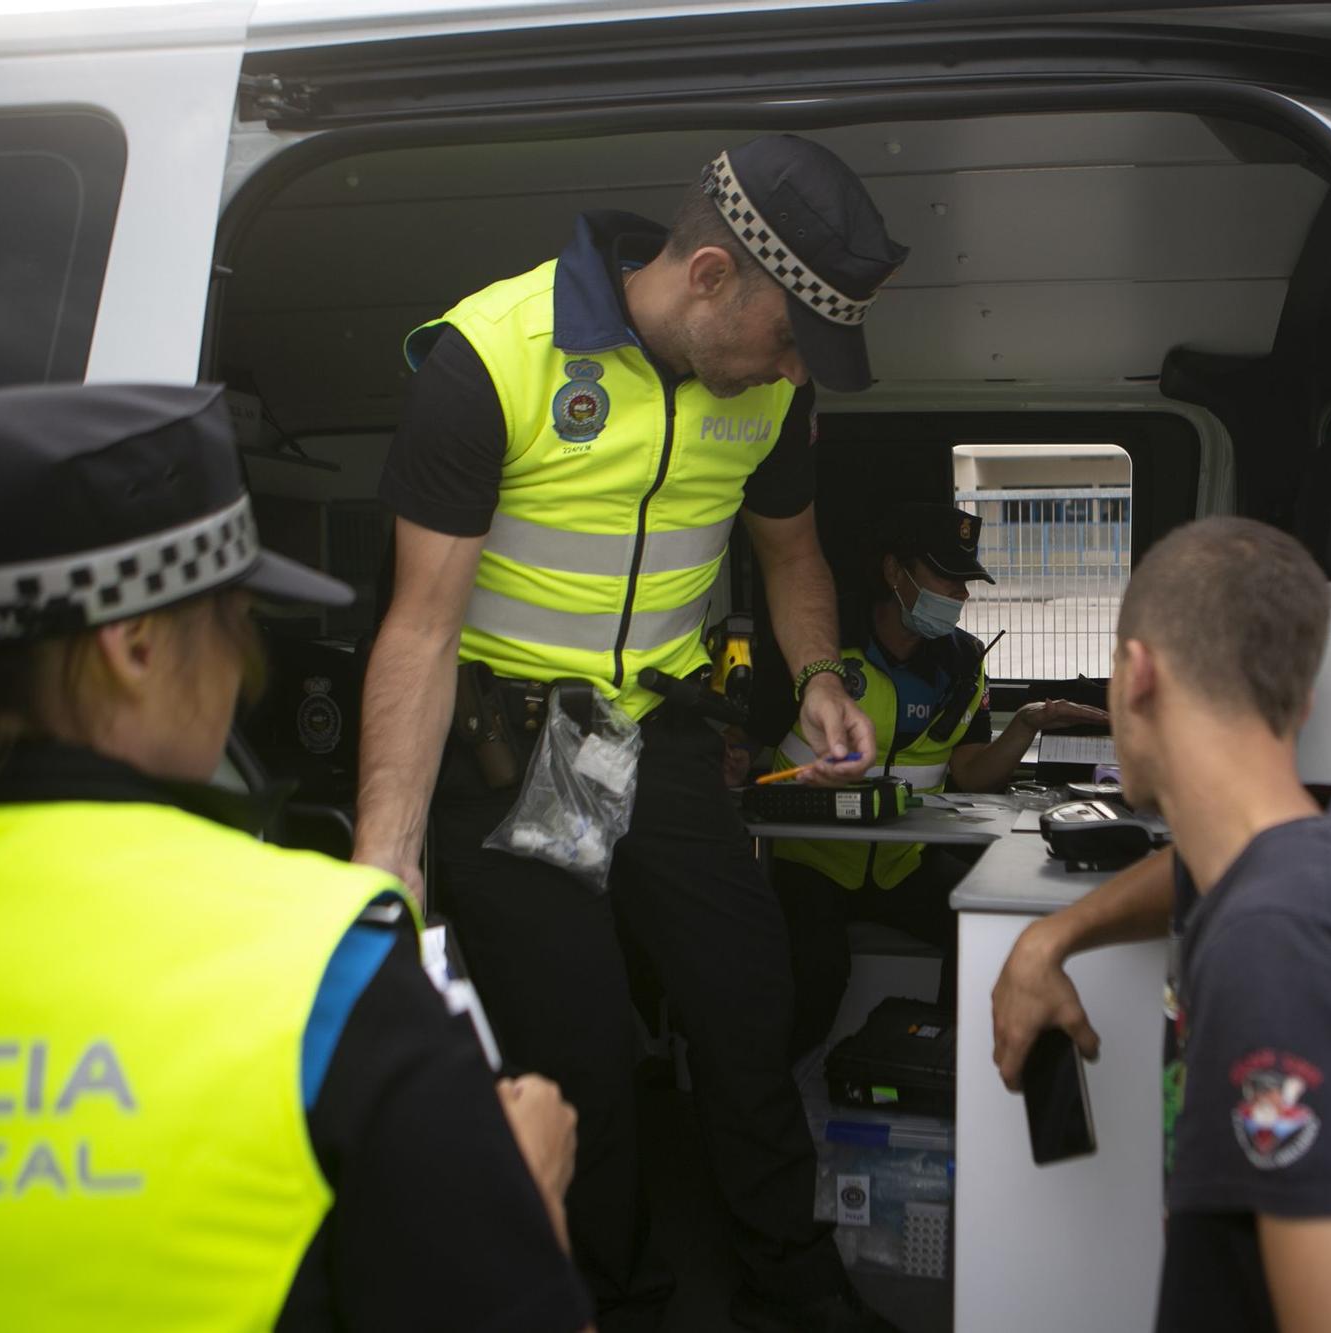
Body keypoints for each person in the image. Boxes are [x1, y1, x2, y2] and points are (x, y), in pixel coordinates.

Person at [353, 134, 909, 1332]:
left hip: (650, 736)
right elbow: (418, 627)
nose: (792, 367)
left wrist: (818, 673)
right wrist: (386, 850)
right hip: (513, 747)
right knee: (580, 1045)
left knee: (748, 998)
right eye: (786, 336)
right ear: (710, 276)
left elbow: (791, 554)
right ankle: (608, 1296)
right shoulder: (490, 356)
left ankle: (789, 1278)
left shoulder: (769, 388)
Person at [0, 383, 592, 1331]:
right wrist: (527, 1195)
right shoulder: (320, 956)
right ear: (133, 646)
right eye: (232, 622)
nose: (244, 670)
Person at [989, 517, 1331, 1332]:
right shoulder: (1306, 861)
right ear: (1297, 697)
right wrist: (1047, 939)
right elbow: (1188, 871)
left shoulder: (1285, 957)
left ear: (1134, 677)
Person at [769, 501, 1107, 1054]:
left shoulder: (963, 663)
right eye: (947, 578)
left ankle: (934, 1059)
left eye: (966, 581)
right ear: (894, 573)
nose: (962, 595)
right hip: (811, 860)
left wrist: (1025, 725)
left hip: (901, 864)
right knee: (820, 972)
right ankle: (780, 1096)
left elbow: (971, 773)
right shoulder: (821, 646)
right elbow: (752, 748)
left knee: (984, 932)